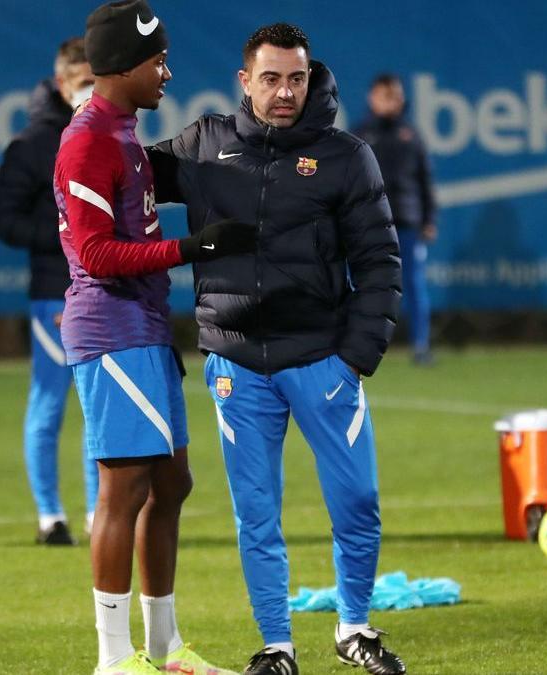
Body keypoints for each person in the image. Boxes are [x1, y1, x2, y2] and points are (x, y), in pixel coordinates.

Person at [149, 23, 405, 675]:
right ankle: (277, 645)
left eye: (297, 78)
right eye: (271, 78)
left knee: (356, 501)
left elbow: (380, 260)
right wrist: (86, 123)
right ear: (245, 81)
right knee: (255, 513)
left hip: (323, 359)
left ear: (310, 77)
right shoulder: (205, 144)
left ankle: (354, 628)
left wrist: (356, 355)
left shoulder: (345, 155)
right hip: (237, 362)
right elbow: (124, 172)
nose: (285, 91)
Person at [54, 2, 253, 673]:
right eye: (157, 60)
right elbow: (95, 255)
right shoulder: (86, 139)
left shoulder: (124, 131)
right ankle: (114, 659)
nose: (167, 71)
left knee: (171, 483)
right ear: (122, 65)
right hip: (109, 328)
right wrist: (190, 248)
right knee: (124, 489)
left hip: (142, 325)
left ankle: (165, 648)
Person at [0, 37, 98, 546]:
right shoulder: (33, 145)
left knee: (100, 405)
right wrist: (62, 234)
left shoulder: (111, 134)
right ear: (61, 84)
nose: (91, 93)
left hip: (103, 289)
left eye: (98, 82)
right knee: (51, 402)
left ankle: (102, 513)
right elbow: (2, 219)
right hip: (56, 290)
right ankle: (50, 516)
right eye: (83, 84)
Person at [353, 73, 437, 366]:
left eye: (396, 95)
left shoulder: (412, 135)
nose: (392, 101)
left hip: (407, 222)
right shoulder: (360, 135)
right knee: (366, 286)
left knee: (414, 285)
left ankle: (421, 346)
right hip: (370, 223)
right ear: (372, 98)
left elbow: (425, 181)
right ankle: (361, 345)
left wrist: (429, 218)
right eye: (385, 95)